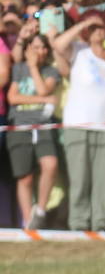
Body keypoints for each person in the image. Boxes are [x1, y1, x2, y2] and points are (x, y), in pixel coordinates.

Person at [54, 11, 105, 232]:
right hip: (78, 124)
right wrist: (84, 23)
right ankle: (78, 222)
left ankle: (101, 222)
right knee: (80, 178)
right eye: (94, 28)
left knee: (103, 179)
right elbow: (58, 45)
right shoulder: (79, 52)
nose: (98, 31)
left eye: (102, 26)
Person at [7, 32, 60, 228]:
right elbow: (13, 98)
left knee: (50, 164)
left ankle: (40, 210)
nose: (41, 51)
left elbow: (44, 89)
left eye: (44, 47)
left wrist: (33, 67)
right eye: (36, 47)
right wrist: (43, 100)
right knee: (25, 176)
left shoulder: (50, 71)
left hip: (43, 125)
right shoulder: (18, 69)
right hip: (20, 124)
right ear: (28, 49)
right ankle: (28, 220)